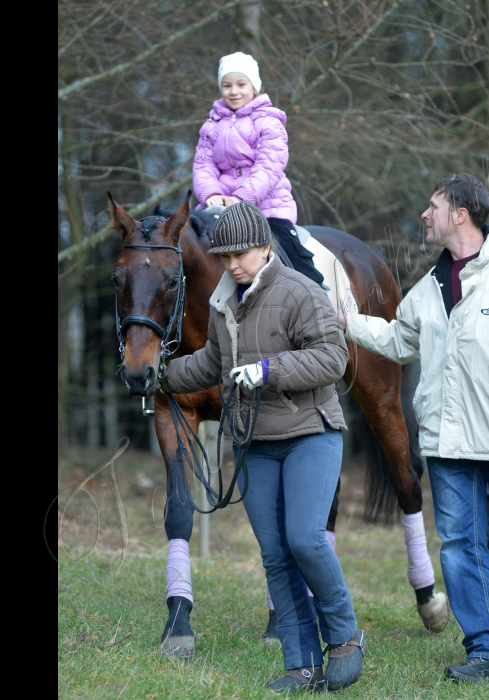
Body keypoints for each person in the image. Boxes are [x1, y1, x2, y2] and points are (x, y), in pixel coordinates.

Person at [160, 201, 366, 693]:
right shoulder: (222, 301)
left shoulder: (301, 291)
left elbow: (332, 357)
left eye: (242, 254)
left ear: (264, 246)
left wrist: (270, 370)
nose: (232, 264)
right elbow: (211, 360)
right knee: (275, 554)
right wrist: (160, 377)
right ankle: (302, 664)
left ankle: (344, 635)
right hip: (253, 442)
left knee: (305, 539)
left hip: (308, 433)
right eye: (225, 255)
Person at [338, 173, 489, 684]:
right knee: (461, 547)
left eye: (432, 206)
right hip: (449, 443)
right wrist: (345, 318)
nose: (424, 215)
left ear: (460, 214)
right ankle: (486, 651)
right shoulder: (429, 287)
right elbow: (397, 339)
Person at [192, 51, 326, 288]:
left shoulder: (268, 122)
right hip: (219, 207)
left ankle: (315, 295)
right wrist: (210, 193)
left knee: (288, 250)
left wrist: (243, 198)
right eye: (227, 85)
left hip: (266, 208)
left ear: (254, 87)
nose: (234, 91)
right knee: (188, 243)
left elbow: (269, 166)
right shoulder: (211, 126)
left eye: (241, 84)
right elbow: (203, 165)